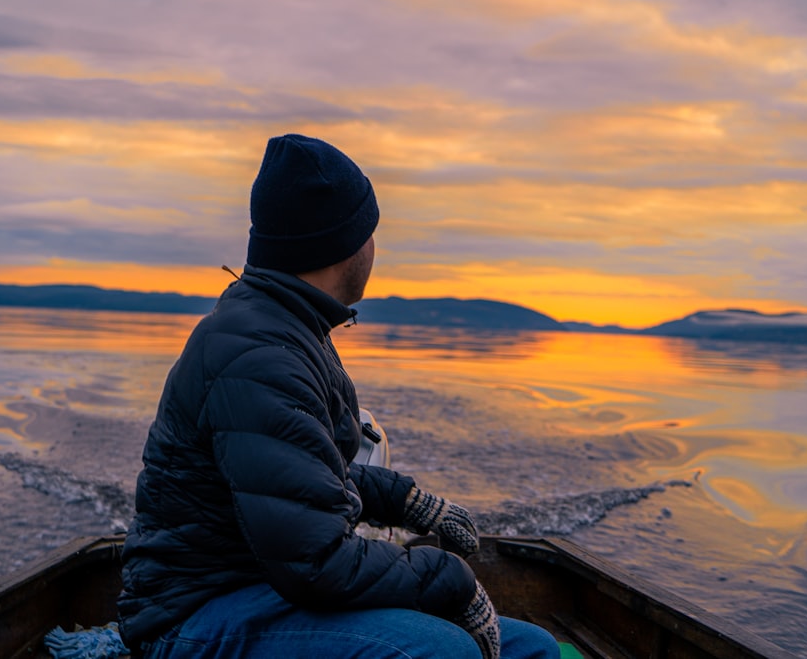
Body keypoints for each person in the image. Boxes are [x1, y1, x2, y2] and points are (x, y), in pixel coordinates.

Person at [117, 133, 560, 659]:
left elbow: (296, 475)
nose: (374, 248)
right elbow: (315, 560)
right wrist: (452, 581)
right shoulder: (260, 356)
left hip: (263, 583)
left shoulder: (285, 330)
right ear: (343, 244)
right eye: (369, 231)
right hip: (194, 613)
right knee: (445, 652)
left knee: (532, 648)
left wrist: (408, 501)